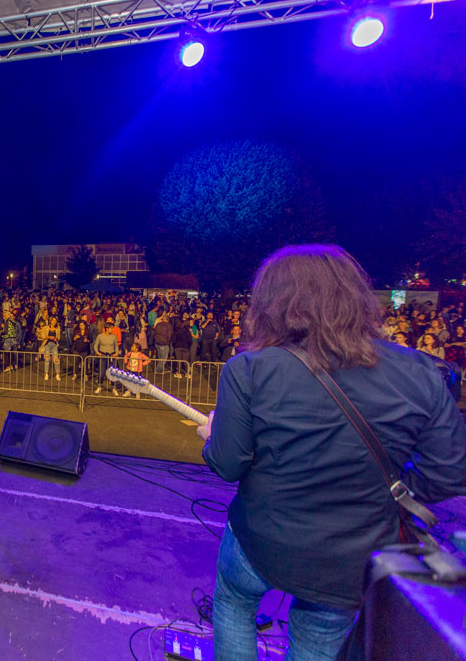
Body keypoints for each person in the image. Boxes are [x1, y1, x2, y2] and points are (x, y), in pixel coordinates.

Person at [196, 244, 466, 661]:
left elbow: (229, 464)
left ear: (272, 303)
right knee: (318, 641)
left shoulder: (249, 369)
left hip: (263, 537)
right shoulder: (419, 371)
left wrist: (213, 436)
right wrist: (386, 488)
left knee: (233, 604)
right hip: (352, 555)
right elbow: (449, 473)